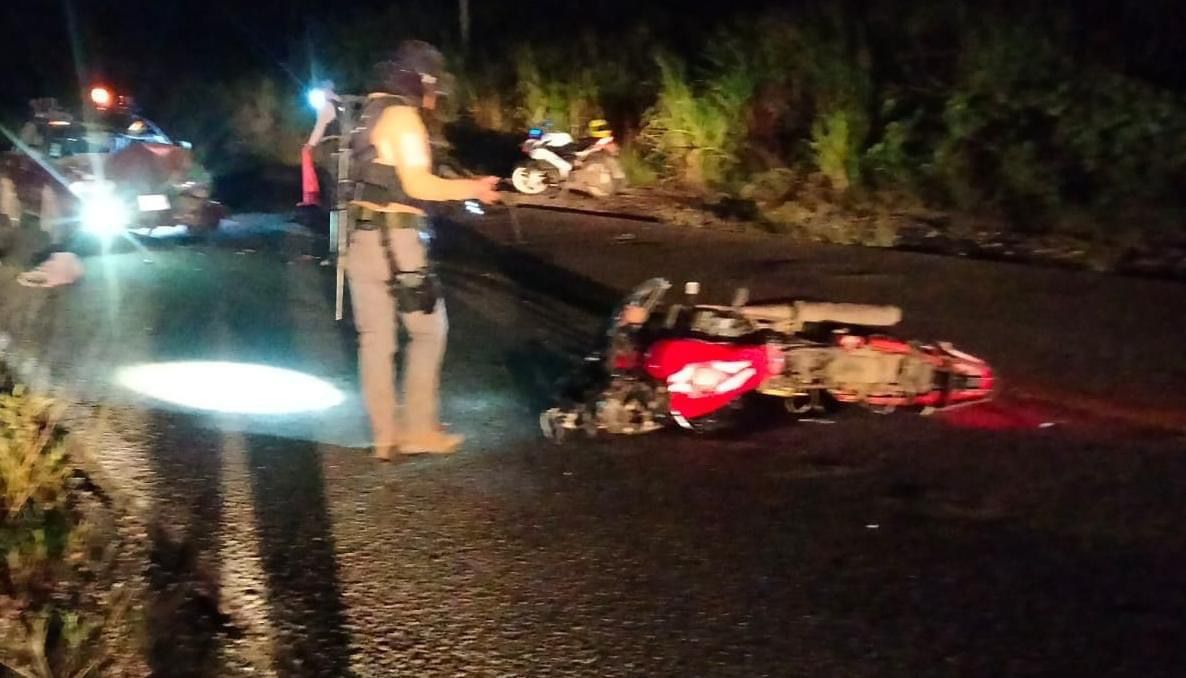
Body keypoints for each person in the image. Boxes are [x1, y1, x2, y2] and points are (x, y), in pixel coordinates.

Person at [347, 40, 500, 459]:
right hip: (397, 240)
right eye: (433, 86)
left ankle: (384, 436)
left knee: (375, 339)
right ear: (419, 81)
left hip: (357, 237)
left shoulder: (362, 112)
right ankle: (418, 429)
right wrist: (474, 188)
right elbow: (417, 185)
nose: (435, 97)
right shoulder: (402, 116)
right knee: (429, 332)